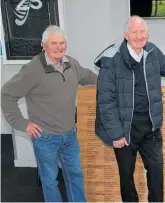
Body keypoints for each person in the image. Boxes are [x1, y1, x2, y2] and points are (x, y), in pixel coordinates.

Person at [94, 15, 165, 202]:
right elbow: (105, 101)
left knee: (156, 172)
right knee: (127, 178)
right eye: (134, 32)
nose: (139, 36)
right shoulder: (112, 60)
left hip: (150, 127)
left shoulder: (152, 52)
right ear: (125, 35)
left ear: (148, 33)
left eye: (142, 31)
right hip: (125, 129)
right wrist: (116, 134)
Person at [1, 25, 98, 202]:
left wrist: (113, 81)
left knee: (75, 175)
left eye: (62, 43)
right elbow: (7, 94)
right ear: (43, 45)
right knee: (50, 181)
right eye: (54, 43)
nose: (59, 47)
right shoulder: (33, 69)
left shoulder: (71, 64)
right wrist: (23, 124)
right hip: (45, 137)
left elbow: (89, 77)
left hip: (69, 135)